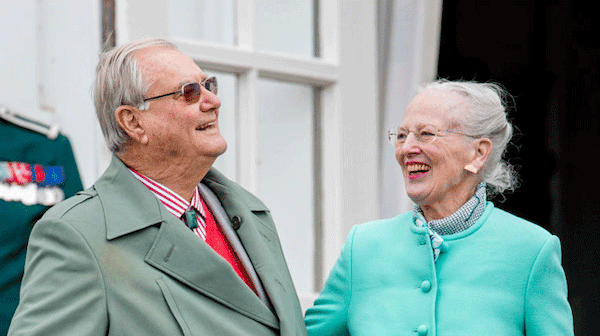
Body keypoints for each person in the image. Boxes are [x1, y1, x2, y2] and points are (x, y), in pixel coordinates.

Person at [8, 38, 307, 336]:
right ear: (133, 122)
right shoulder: (78, 235)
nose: (213, 101)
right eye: (189, 92)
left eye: (209, 85)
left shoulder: (250, 212)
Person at [304, 80, 573, 335]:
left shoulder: (531, 251)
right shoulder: (362, 249)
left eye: (426, 134)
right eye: (401, 135)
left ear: (478, 153)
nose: (406, 149)